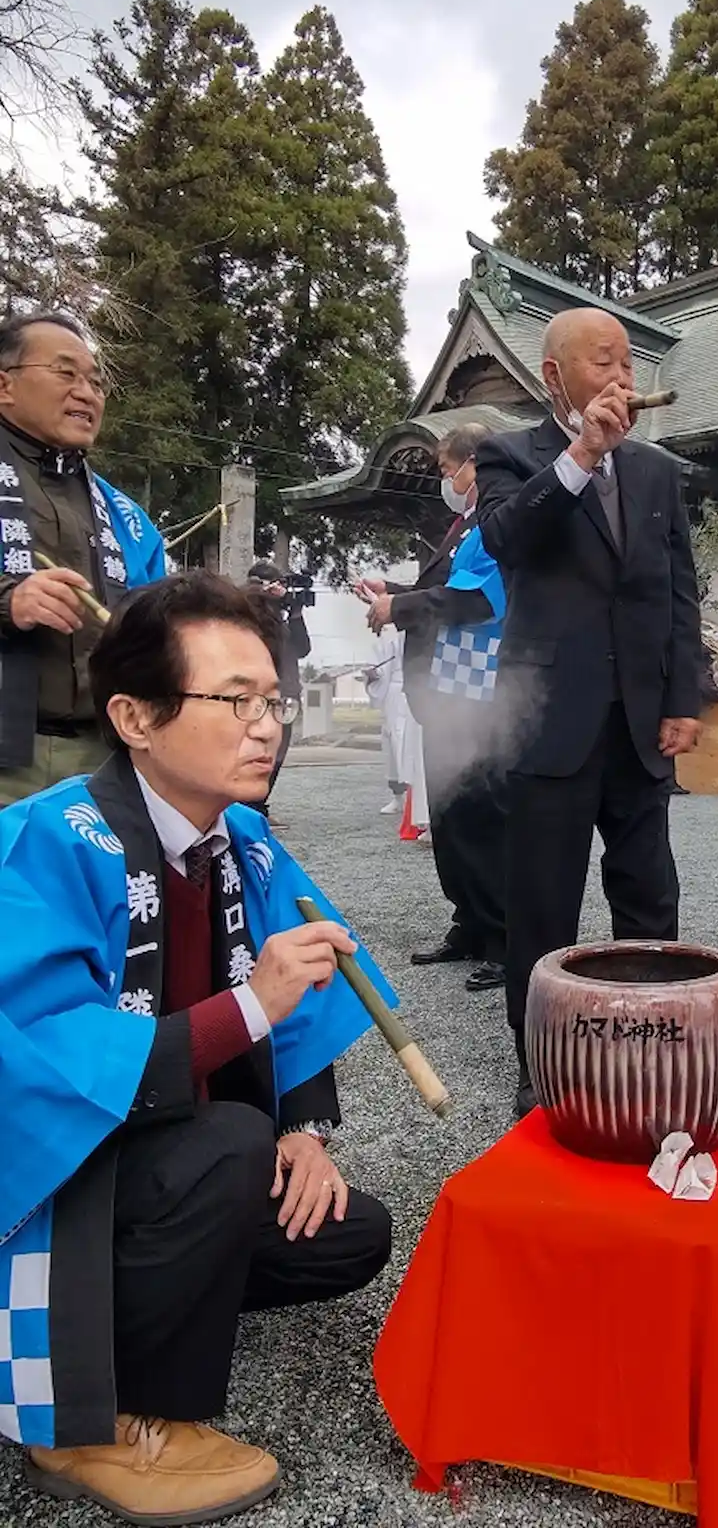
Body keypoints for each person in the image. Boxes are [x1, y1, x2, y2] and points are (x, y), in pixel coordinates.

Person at [1, 572, 395, 1525]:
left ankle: (136, 1305)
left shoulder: (242, 838)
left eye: (273, 701)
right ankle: (91, 1421)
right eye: (235, 701)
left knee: (345, 1231)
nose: (267, 727)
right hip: (55, 1180)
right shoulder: (43, 840)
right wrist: (249, 1009)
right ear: (135, 717)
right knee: (225, 1147)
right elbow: (51, 1057)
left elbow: (306, 979)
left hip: (170, 1148)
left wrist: (305, 1128)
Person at [474, 307, 704, 1117]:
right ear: (554, 377)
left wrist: (685, 698)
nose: (621, 380)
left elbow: (678, 593)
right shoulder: (510, 454)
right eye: (603, 363)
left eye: (629, 366)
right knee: (543, 903)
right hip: (549, 718)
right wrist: (580, 454)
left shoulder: (654, 473)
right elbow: (507, 539)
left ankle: (658, 1039)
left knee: (649, 895)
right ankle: (543, 1065)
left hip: (640, 721)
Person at [357, 425, 507, 994]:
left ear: (474, 463)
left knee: (480, 818)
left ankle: (503, 936)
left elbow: (473, 600)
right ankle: (468, 920)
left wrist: (399, 604)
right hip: (445, 689)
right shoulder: (464, 524)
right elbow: (440, 587)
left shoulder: (496, 521)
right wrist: (393, 589)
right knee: (448, 815)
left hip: (479, 689)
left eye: (448, 469)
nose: (446, 480)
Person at [0, 310, 165, 806]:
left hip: (102, 759)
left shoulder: (125, 515)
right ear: (4, 386)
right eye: (65, 373)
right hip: (8, 760)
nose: (86, 392)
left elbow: (157, 615)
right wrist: (8, 603)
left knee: (102, 884)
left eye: (95, 382)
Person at [245, 560, 312, 821]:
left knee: (278, 752)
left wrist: (296, 612)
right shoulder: (248, 614)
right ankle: (250, 807)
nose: (281, 590)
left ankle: (260, 804)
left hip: (288, 694)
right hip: (261, 695)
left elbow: (303, 648)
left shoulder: (281, 618)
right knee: (257, 750)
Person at [365, 630, 424, 818]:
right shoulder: (389, 633)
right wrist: (374, 674)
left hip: (411, 690)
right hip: (392, 694)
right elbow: (380, 664)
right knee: (391, 747)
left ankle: (417, 804)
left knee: (410, 749)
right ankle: (398, 797)